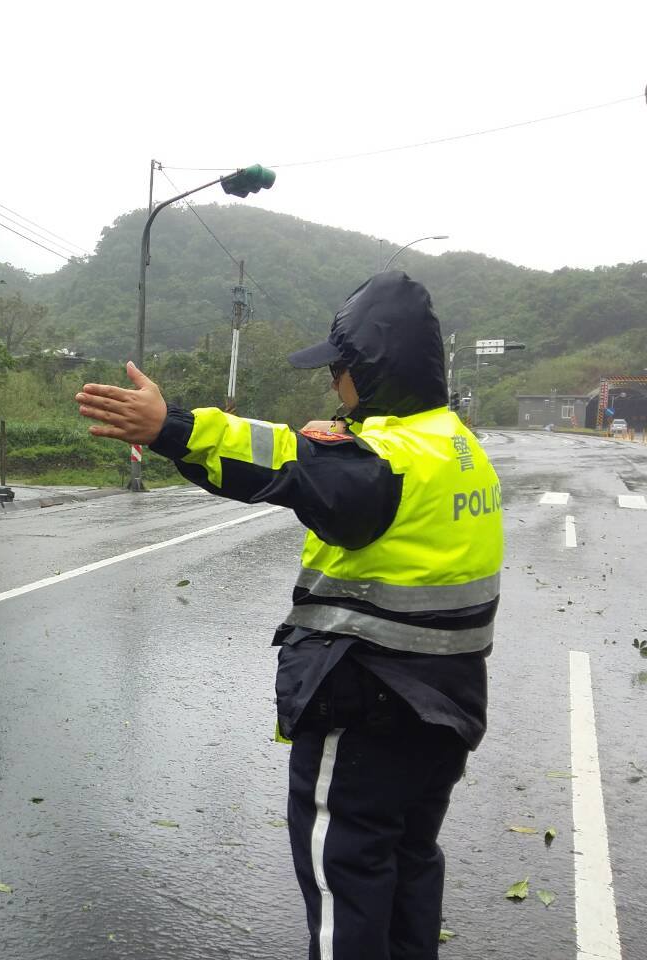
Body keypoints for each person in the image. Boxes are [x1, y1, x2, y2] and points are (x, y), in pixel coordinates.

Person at [75, 271, 502, 960]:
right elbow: (331, 463)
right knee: (410, 863)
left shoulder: (379, 465)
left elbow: (286, 463)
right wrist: (339, 439)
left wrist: (170, 428)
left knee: (349, 877)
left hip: (372, 707)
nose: (335, 384)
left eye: (340, 368)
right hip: (446, 711)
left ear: (372, 369)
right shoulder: (454, 446)